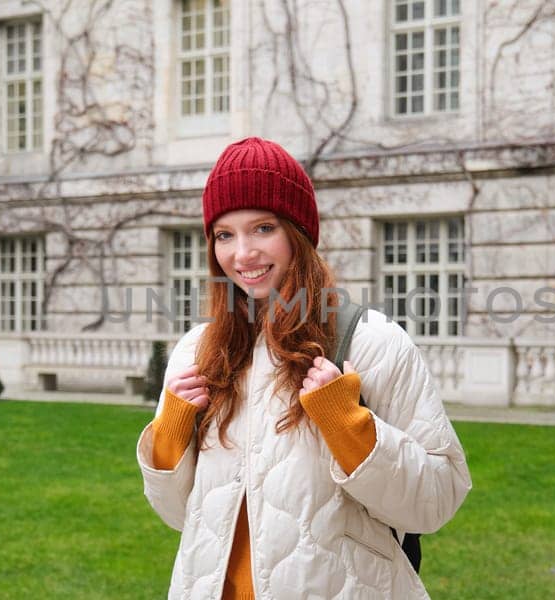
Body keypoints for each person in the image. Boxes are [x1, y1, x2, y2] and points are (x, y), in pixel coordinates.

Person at [137, 137, 471, 599]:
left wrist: (349, 425)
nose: (242, 254)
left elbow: (436, 501)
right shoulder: (197, 352)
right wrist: (171, 433)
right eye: (224, 235)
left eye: (263, 228)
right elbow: (181, 517)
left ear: (298, 232)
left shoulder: (371, 341)